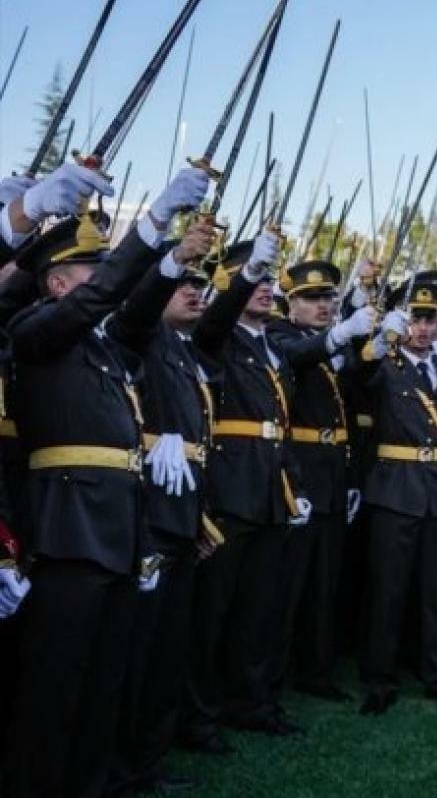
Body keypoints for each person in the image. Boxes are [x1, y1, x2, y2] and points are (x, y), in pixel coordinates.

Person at [3, 163, 209, 798]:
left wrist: (169, 256)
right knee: (55, 686)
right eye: (92, 271)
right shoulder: (36, 330)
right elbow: (104, 297)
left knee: (103, 682)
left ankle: (95, 786)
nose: (105, 282)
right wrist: (146, 229)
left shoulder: (101, 346)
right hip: (67, 532)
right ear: (58, 282)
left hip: (118, 532)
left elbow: (136, 308)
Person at [183, 229, 306, 750]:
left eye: (267, 281)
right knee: (214, 613)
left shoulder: (273, 343)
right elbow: (211, 322)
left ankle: (252, 702)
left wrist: (292, 484)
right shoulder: (215, 335)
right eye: (250, 280)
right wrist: (244, 274)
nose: (264, 290)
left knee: (259, 609)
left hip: (270, 486)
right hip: (230, 488)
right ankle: (199, 716)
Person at [110, 223, 221, 796]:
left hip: (179, 516)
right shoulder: (137, 335)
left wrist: (197, 517)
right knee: (138, 650)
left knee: (166, 649)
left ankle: (148, 761)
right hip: (146, 517)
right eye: (183, 284)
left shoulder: (183, 351)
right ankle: (125, 765)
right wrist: (170, 262)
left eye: (203, 284)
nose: (194, 291)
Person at [358, 278, 437, 715]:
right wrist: (375, 338)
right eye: (415, 318)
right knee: (388, 591)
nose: (424, 328)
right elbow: (358, 379)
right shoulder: (384, 365)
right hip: (396, 487)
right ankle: (379, 679)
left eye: (430, 319)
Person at [267, 259, 375, 704]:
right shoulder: (281, 335)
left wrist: (370, 345)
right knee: (288, 584)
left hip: (332, 471)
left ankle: (316, 668)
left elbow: (352, 401)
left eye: (329, 297)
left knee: (324, 582)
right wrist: (341, 335)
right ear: (290, 303)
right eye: (312, 298)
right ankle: (273, 674)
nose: (324, 305)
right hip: (300, 471)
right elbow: (298, 356)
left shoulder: (332, 345)